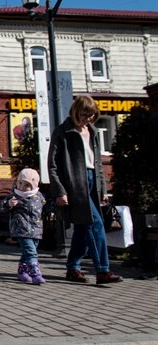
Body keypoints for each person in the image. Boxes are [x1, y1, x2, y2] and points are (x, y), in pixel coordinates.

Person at [47, 95, 123, 284]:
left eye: (90, 115)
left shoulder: (93, 131)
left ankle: (73, 268)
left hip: (92, 182)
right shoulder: (63, 132)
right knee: (94, 224)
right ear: (75, 111)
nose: (86, 119)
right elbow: (53, 165)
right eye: (83, 114)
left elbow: (97, 164)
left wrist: (103, 188)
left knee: (82, 228)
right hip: (75, 185)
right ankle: (103, 270)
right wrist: (59, 191)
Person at [0, 168, 47, 284]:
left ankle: (22, 272)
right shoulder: (14, 196)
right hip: (21, 229)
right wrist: (9, 204)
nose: (22, 187)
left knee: (27, 252)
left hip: (36, 229)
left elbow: (45, 206)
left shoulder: (38, 196)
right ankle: (35, 273)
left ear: (34, 185)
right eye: (20, 183)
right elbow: (1, 206)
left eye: (27, 185)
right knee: (31, 252)